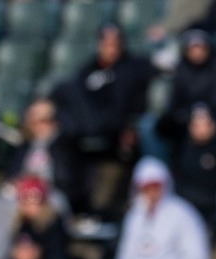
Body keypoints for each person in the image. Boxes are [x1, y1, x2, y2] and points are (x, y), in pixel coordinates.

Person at [49, 24, 155, 220]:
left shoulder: (134, 68)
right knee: (61, 140)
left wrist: (130, 126)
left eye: (115, 43)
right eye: (106, 43)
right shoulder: (87, 71)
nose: (111, 47)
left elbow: (139, 104)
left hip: (118, 127)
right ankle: (71, 204)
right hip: (86, 128)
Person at [113, 156, 209, 259]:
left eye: (155, 187)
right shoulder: (134, 217)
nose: (151, 193)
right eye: (146, 188)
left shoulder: (183, 214)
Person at [141, 29, 216, 163]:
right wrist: (183, 116)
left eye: (200, 47)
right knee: (152, 125)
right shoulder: (181, 68)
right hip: (188, 115)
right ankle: (161, 172)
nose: (197, 52)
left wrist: (202, 115)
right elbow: (174, 101)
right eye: (193, 48)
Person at [171, 104, 216, 236]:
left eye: (205, 124)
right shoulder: (184, 149)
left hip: (215, 199)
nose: (201, 129)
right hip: (191, 199)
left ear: (213, 125)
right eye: (196, 125)